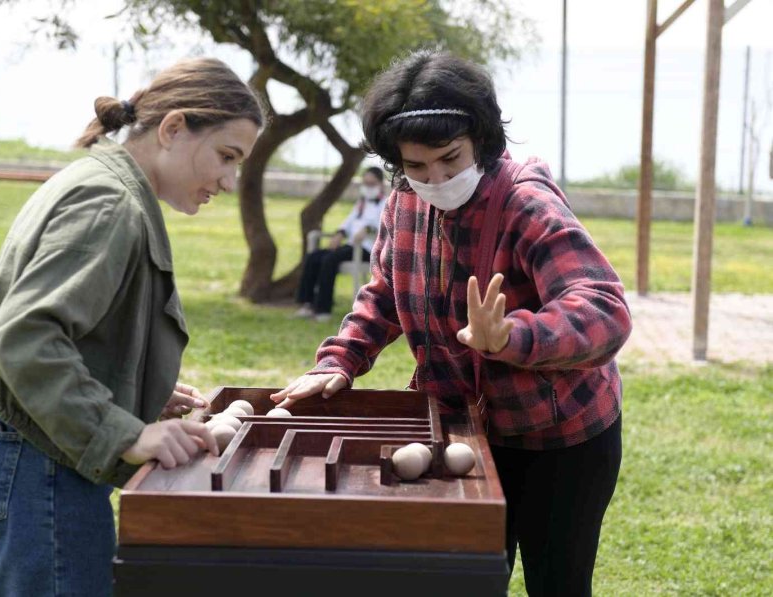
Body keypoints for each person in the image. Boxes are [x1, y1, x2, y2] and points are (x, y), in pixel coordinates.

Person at [271, 51, 632, 597]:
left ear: (482, 139)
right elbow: (386, 293)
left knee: (558, 583)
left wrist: (513, 336)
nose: (435, 178)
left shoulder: (527, 206)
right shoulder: (402, 201)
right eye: (415, 167)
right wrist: (340, 358)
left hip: (560, 443)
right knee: (460, 577)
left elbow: (603, 308)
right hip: (464, 427)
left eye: (449, 158)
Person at [0, 57, 262, 595]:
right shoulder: (111, 202)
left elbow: (70, 333)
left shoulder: (104, 182)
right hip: (36, 468)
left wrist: (129, 391)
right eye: (225, 156)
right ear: (173, 128)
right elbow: (26, 338)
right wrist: (129, 432)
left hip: (22, 455)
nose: (230, 182)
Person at [295, 166, 387, 322]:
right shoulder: (361, 203)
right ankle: (307, 303)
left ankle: (323, 309)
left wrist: (368, 228)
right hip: (350, 246)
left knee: (329, 260)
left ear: (380, 184)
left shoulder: (386, 203)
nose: (368, 187)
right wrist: (340, 233)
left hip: (366, 249)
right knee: (313, 256)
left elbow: (386, 226)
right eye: (365, 183)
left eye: (372, 184)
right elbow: (349, 222)